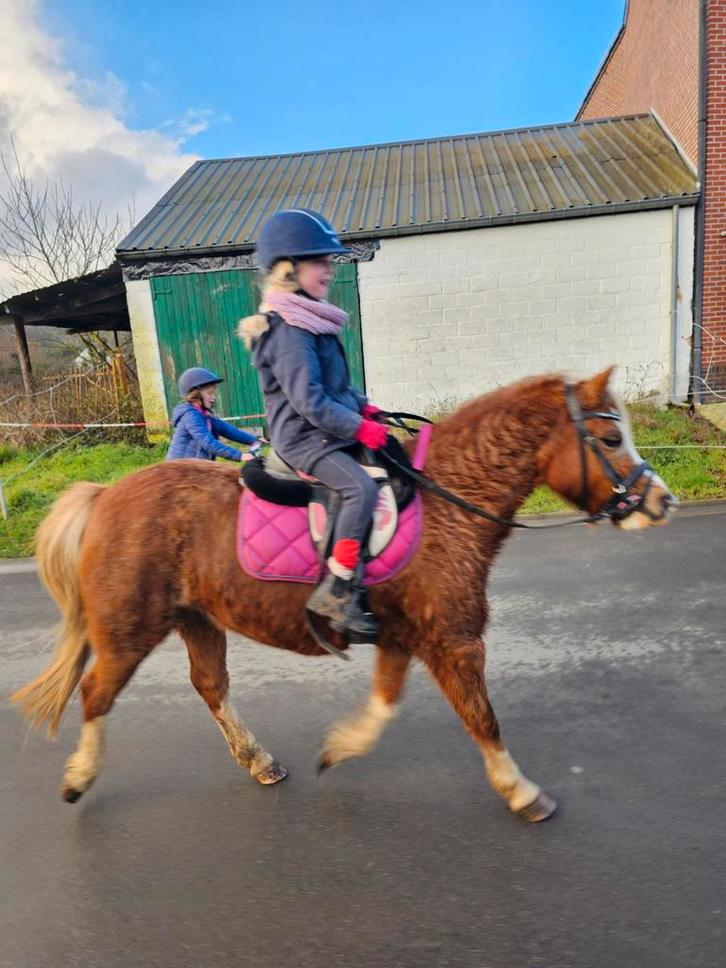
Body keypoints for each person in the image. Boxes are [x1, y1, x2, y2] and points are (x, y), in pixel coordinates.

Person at [239, 209, 388, 640]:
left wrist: (367, 408)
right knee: (358, 487)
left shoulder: (309, 319)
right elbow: (311, 402)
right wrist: (358, 429)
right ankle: (338, 591)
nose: (329, 269)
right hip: (306, 438)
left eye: (329, 261)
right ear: (290, 269)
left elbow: (337, 386)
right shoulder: (287, 330)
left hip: (324, 425)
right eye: (320, 261)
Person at [166, 367, 263, 463]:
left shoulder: (206, 415)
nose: (214, 397)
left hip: (197, 468)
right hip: (180, 471)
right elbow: (208, 443)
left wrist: (254, 440)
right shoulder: (190, 415)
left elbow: (229, 430)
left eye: (214, 393)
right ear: (196, 394)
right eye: (209, 393)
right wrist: (239, 455)